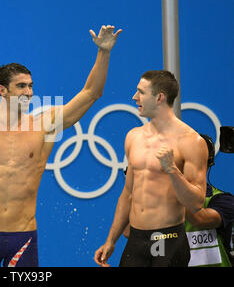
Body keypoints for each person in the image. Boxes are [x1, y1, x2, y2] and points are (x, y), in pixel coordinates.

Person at [0, 0, 122, 267]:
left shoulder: (44, 125)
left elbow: (91, 93)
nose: (29, 92)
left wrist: (104, 53)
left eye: (31, 86)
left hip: (23, 238)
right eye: (21, 86)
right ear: (3, 90)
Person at [94, 70, 208, 267]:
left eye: (141, 92)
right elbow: (128, 194)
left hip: (169, 240)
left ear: (159, 97)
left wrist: (172, 170)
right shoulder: (133, 136)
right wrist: (111, 240)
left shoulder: (191, 142)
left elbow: (196, 203)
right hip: (136, 241)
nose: (134, 97)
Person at [184, 134, 234, 267]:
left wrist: (171, 182)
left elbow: (200, 219)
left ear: (207, 162)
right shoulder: (161, 202)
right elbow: (129, 233)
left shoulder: (223, 200)